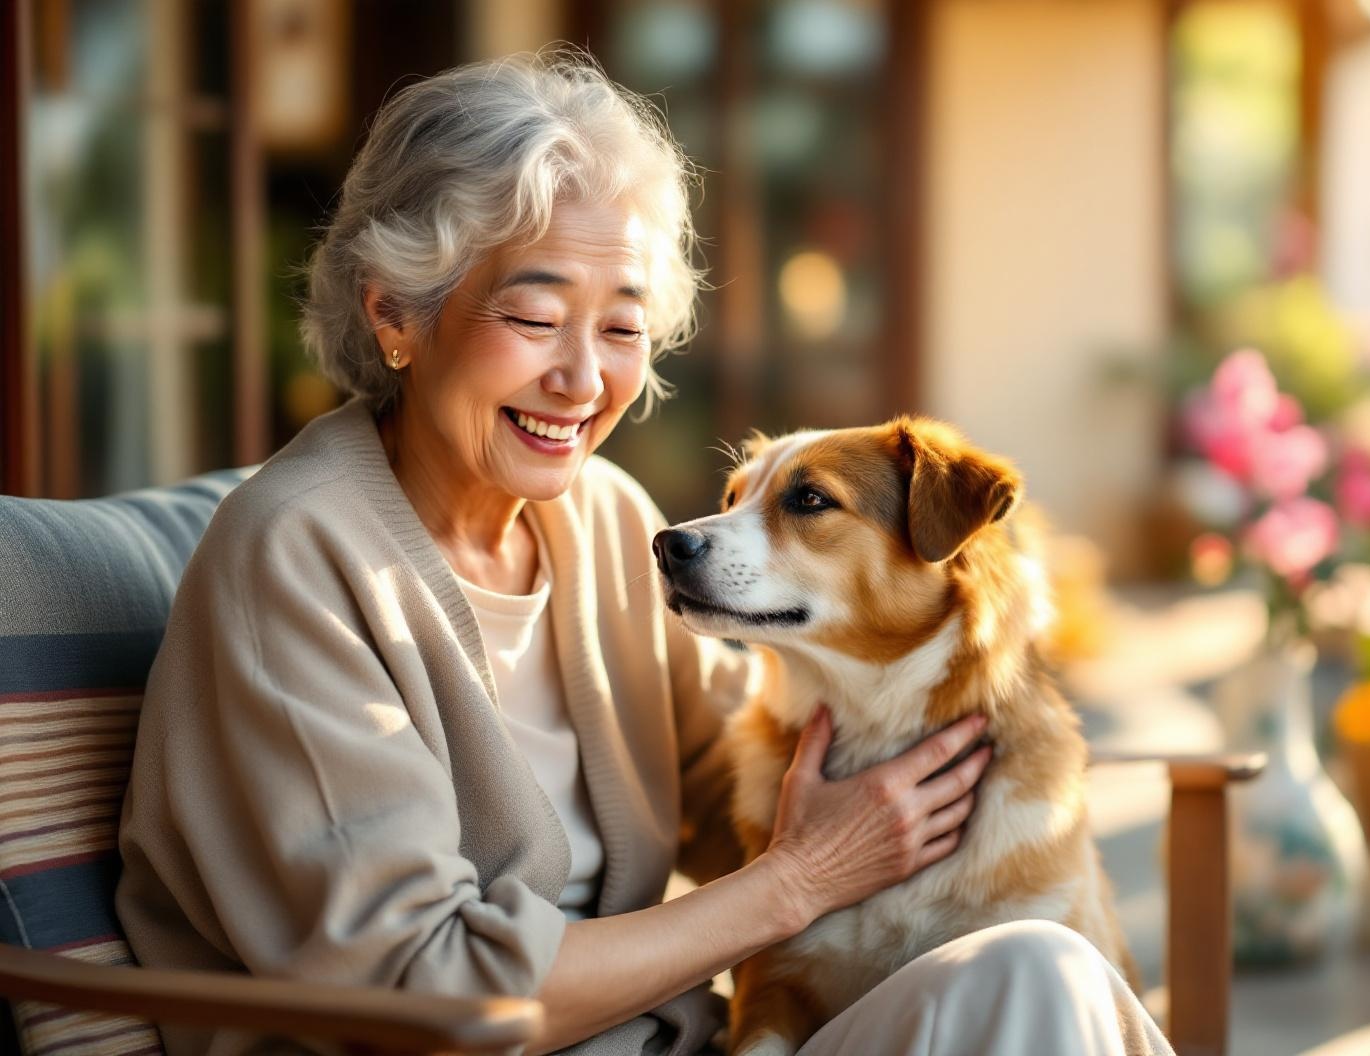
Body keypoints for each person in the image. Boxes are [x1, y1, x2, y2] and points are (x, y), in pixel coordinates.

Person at [116, 52, 1172, 1056]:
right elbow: (416, 995)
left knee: (1042, 968)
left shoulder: (602, 521)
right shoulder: (297, 560)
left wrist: (970, 759)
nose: (582, 380)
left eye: (621, 329)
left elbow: (739, 782)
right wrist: (792, 885)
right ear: (395, 313)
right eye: (534, 315)